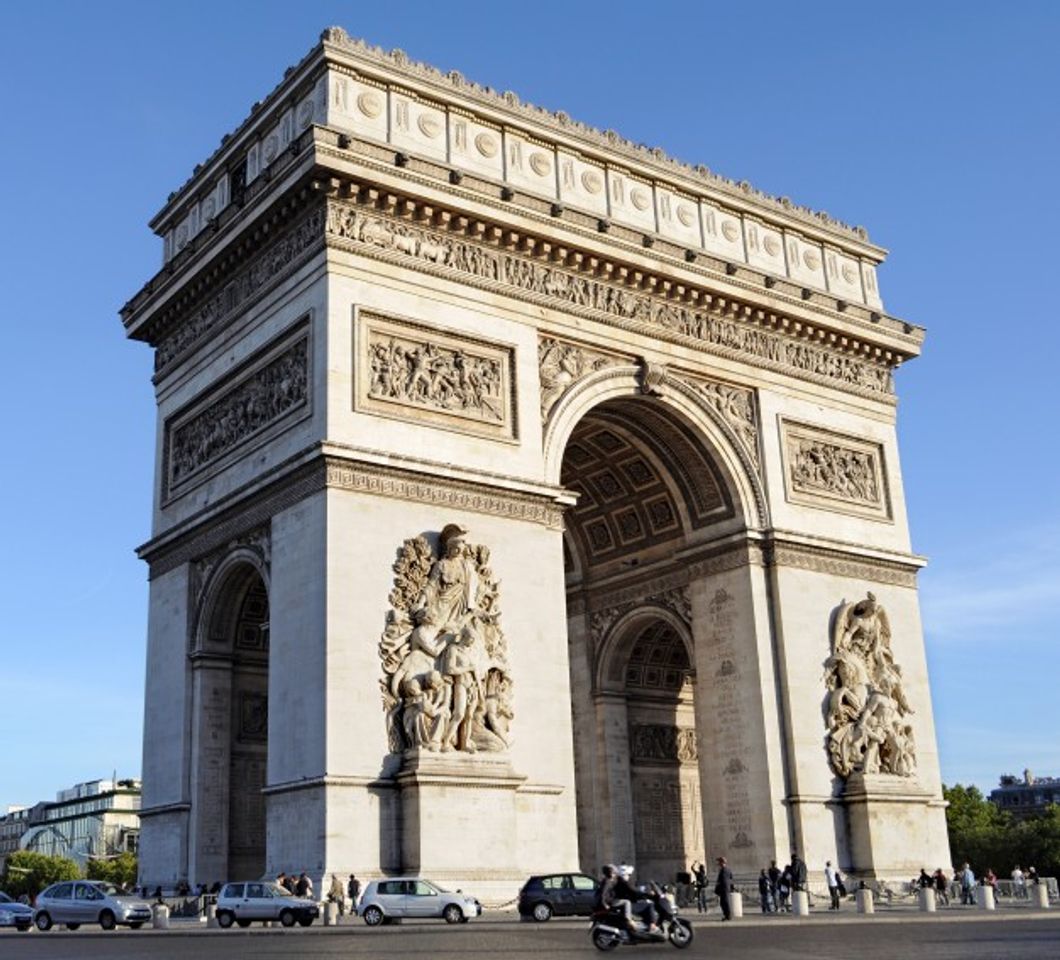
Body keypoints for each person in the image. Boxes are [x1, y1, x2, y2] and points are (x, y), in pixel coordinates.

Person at [595, 864, 635, 932]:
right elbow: (603, 893)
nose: (614, 873)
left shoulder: (608, 880)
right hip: (609, 901)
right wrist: (604, 904)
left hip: (609, 900)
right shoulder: (607, 881)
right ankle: (628, 920)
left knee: (623, 902)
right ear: (609, 873)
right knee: (627, 902)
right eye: (613, 872)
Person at [714, 856, 734, 921]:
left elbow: (721, 880)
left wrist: (717, 888)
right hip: (726, 888)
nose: (718, 864)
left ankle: (728, 916)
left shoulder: (723, 870)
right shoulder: (728, 869)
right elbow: (731, 878)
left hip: (723, 888)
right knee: (724, 902)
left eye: (719, 862)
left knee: (724, 902)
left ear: (722, 862)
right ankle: (727, 915)